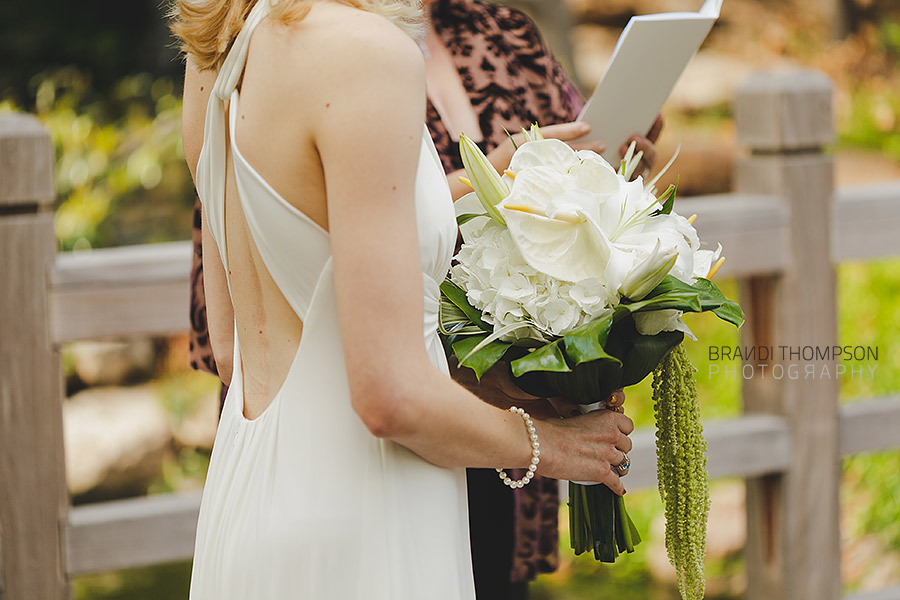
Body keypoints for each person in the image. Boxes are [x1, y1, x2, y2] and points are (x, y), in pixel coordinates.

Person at [173, 0, 635, 597]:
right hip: (366, 511)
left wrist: (492, 391)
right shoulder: (367, 52)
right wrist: (550, 445)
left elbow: (238, 348)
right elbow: (389, 398)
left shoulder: (219, 46)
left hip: (252, 496)